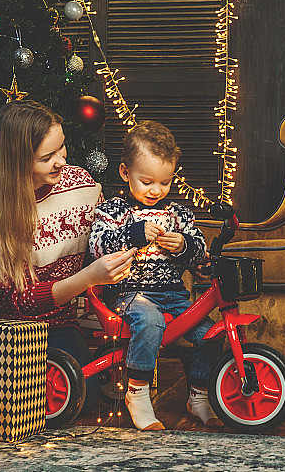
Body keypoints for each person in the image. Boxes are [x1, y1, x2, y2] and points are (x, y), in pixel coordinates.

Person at [0, 100, 136, 414]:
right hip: (5, 326)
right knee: (35, 402)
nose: (61, 161)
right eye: (47, 157)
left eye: (62, 148)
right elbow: (19, 299)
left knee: (83, 394)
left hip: (58, 320)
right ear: (16, 161)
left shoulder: (80, 184)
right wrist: (89, 277)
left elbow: (107, 235)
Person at [89, 120, 223, 430]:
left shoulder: (178, 213)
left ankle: (198, 396)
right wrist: (133, 233)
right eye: (147, 181)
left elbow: (200, 251)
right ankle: (137, 392)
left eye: (164, 182)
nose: (156, 190)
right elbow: (96, 246)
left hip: (174, 296)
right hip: (127, 294)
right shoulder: (113, 210)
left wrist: (183, 245)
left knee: (211, 336)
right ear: (125, 173)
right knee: (148, 320)